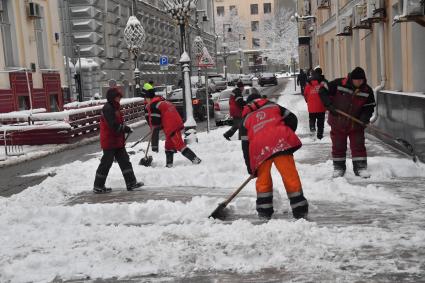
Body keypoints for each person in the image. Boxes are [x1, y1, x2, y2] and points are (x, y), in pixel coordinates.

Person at [240, 93, 309, 220]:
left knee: (263, 181)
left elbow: (245, 146)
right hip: (280, 144)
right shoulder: (272, 106)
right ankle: (300, 210)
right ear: (261, 99)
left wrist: (250, 167)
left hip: (259, 150)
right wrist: (285, 135)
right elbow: (292, 118)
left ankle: (264, 212)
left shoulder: (245, 119)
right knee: (290, 177)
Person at [319, 67, 376, 178]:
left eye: (361, 80)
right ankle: (339, 168)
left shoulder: (367, 90)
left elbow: (369, 107)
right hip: (338, 121)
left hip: (356, 123)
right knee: (338, 145)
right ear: (351, 79)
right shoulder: (339, 83)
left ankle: (360, 167)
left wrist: (364, 118)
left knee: (358, 145)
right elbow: (322, 89)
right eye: (357, 80)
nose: (359, 82)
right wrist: (329, 105)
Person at [93, 88, 143, 193]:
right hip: (109, 141)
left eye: (119, 97)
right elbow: (113, 126)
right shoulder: (108, 108)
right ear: (112, 98)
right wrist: (125, 129)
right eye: (117, 97)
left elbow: (118, 123)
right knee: (106, 164)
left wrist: (124, 128)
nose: (119, 99)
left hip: (117, 141)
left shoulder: (115, 108)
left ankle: (131, 183)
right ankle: (98, 186)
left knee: (125, 161)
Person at [144, 89, 201, 167]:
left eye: (146, 98)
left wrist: (154, 127)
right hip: (173, 123)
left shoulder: (154, 105)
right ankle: (169, 164)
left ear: (148, 98)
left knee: (179, 145)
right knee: (168, 146)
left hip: (172, 125)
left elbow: (155, 121)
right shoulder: (161, 101)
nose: (145, 100)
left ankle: (196, 160)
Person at [303, 67, 327, 140]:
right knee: (320, 122)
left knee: (312, 118)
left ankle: (312, 127)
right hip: (321, 106)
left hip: (312, 106)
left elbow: (305, 94)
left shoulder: (308, 85)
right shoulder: (322, 84)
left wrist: (307, 101)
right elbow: (327, 93)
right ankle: (320, 135)